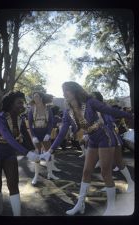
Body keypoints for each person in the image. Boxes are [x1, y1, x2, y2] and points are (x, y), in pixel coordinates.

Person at [40, 81, 133, 216]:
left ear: (75, 91)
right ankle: (80, 204)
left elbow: (109, 110)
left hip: (105, 137)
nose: (64, 93)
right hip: (93, 139)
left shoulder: (90, 102)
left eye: (67, 90)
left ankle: (112, 207)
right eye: (63, 90)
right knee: (86, 172)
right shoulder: (68, 111)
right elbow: (62, 132)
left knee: (105, 172)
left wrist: (129, 115)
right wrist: (51, 150)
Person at [0, 91, 40, 216]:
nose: (23, 105)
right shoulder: (0, 118)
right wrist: (27, 153)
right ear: (10, 104)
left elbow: (25, 136)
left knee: (13, 184)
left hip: (10, 154)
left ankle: (17, 215)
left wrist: (33, 150)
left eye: (23, 102)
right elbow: (9, 138)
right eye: (19, 102)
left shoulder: (20, 119)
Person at [92, 91, 134, 193]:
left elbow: (111, 120)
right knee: (106, 164)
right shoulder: (93, 109)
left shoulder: (104, 108)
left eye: (92, 98)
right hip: (101, 138)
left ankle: (131, 183)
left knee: (118, 161)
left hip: (111, 137)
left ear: (98, 99)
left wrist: (102, 124)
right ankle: (109, 184)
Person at [28, 91, 59, 184]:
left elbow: (50, 122)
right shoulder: (31, 109)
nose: (35, 98)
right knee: (37, 155)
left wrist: (48, 133)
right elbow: (30, 124)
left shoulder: (48, 109)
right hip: (36, 133)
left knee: (48, 153)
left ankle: (50, 174)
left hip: (45, 133)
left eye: (37, 96)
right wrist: (33, 136)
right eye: (34, 97)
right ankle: (36, 176)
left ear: (41, 97)